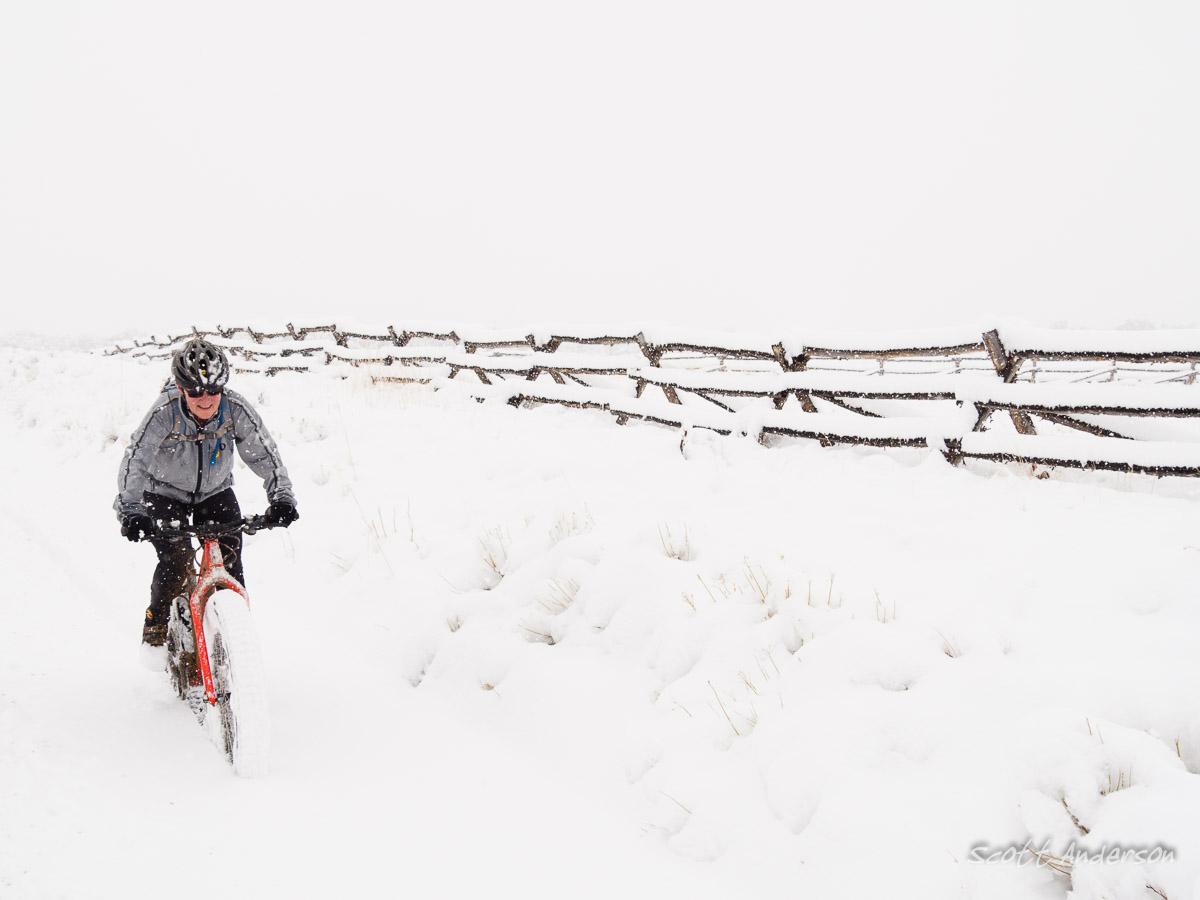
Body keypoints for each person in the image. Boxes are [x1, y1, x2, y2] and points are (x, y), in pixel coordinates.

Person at [115, 338, 298, 647]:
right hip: (163, 493)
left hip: (215, 492)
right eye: (195, 391)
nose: (205, 399)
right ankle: (157, 622)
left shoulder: (235, 409)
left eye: (213, 391)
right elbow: (137, 458)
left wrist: (281, 497)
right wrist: (132, 509)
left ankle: (234, 643)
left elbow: (264, 454)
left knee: (230, 562)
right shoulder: (164, 413)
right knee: (177, 559)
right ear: (181, 387)